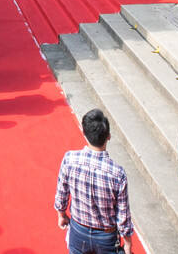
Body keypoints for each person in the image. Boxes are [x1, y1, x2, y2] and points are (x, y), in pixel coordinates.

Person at [54, 108, 134, 254]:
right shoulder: (117, 173)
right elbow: (123, 215)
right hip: (106, 237)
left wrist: (61, 214)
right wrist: (128, 244)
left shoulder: (70, 160)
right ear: (108, 136)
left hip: (78, 230)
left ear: (84, 133)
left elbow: (62, 193)